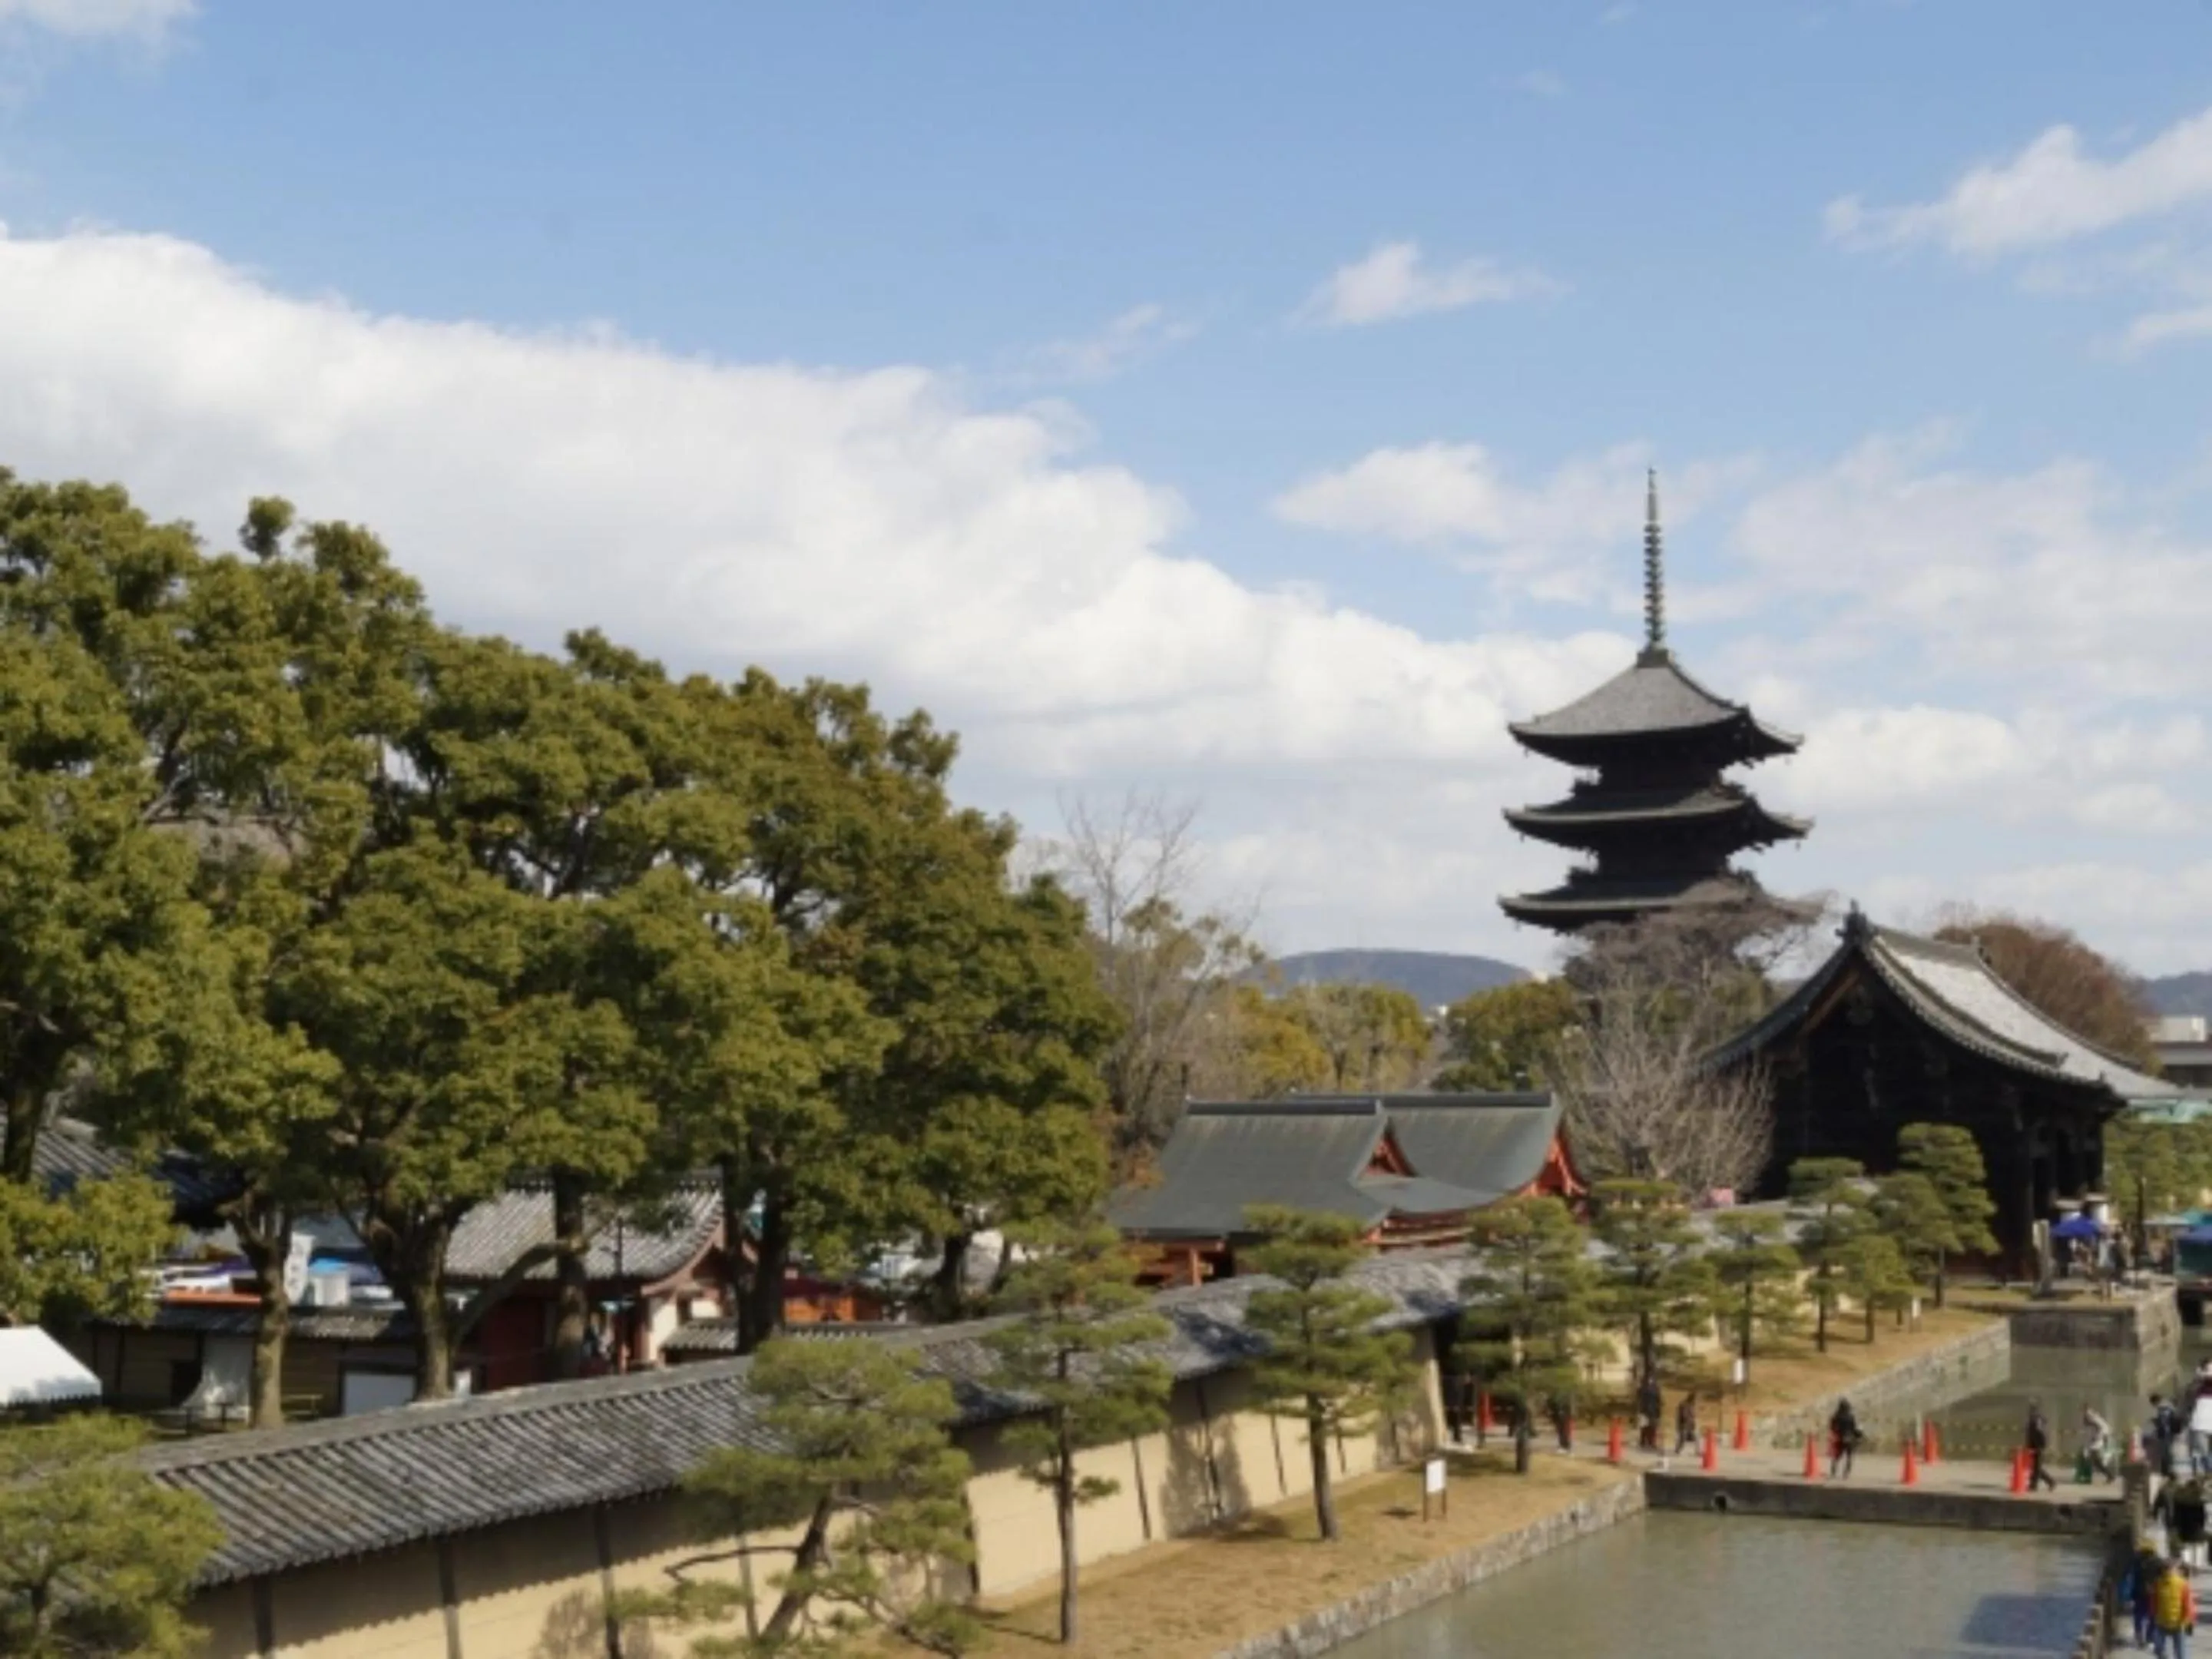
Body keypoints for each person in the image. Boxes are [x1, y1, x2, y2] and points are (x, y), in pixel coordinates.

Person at [2153, 1556, 2197, 1658]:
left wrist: (2154, 1614)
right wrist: (2190, 1619)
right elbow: (2188, 1603)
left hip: (2167, 1621)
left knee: (2161, 1648)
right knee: (2180, 1650)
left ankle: (2162, 1655)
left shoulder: (2159, 1583)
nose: (2169, 1571)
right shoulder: (2182, 1584)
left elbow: (2154, 1601)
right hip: (2177, 1622)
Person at [2126, 1546, 2167, 1651]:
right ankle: (2149, 1637)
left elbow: (2132, 1578)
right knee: (2153, 1616)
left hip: (2139, 1593)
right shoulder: (2158, 1562)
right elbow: (2163, 1577)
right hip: (2153, 1592)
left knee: (2138, 1616)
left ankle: (2139, 1636)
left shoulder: (2136, 1561)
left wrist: (2130, 1595)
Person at [2025, 1401, 2058, 1492]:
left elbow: (2039, 1434)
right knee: (2036, 1467)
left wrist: (2040, 1446)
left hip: (2038, 1446)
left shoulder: (2036, 1420)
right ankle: (2038, 1484)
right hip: (2035, 1446)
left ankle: (2042, 1484)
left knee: (2037, 1467)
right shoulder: (2035, 1419)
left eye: (2031, 1409)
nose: (2029, 1412)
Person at [2082, 1406, 2118, 1483]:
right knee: (2095, 1461)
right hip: (2096, 1441)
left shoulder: (2092, 1417)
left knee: (2095, 1460)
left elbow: (2099, 1427)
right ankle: (2109, 1475)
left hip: (2096, 1442)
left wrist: (2097, 1437)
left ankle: (2110, 1475)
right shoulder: (2091, 1416)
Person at [1829, 1397, 1862, 1479]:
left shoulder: (1836, 1416)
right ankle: (1846, 1473)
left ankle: (1833, 1471)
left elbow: (1832, 1427)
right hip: (1849, 1437)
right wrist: (1858, 1436)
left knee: (1837, 1456)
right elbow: (1854, 1428)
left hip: (1839, 1437)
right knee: (1849, 1457)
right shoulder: (1850, 1417)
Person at [1637, 1373, 1663, 1452]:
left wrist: (1658, 1412)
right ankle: (1644, 1442)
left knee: (1651, 1428)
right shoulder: (1644, 1389)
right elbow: (1640, 1398)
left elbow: (1659, 1401)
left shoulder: (1655, 1389)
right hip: (1646, 1411)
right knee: (1645, 1427)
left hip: (1652, 1411)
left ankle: (1650, 1442)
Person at [1674, 1390, 1699, 1456]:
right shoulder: (1684, 1404)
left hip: (1689, 1425)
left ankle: (1697, 1451)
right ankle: (1678, 1450)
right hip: (1684, 1425)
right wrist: (1690, 1420)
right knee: (1682, 1438)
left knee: (1696, 1437)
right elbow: (1684, 1416)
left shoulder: (1691, 1405)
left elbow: (1692, 1415)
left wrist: (1693, 1421)